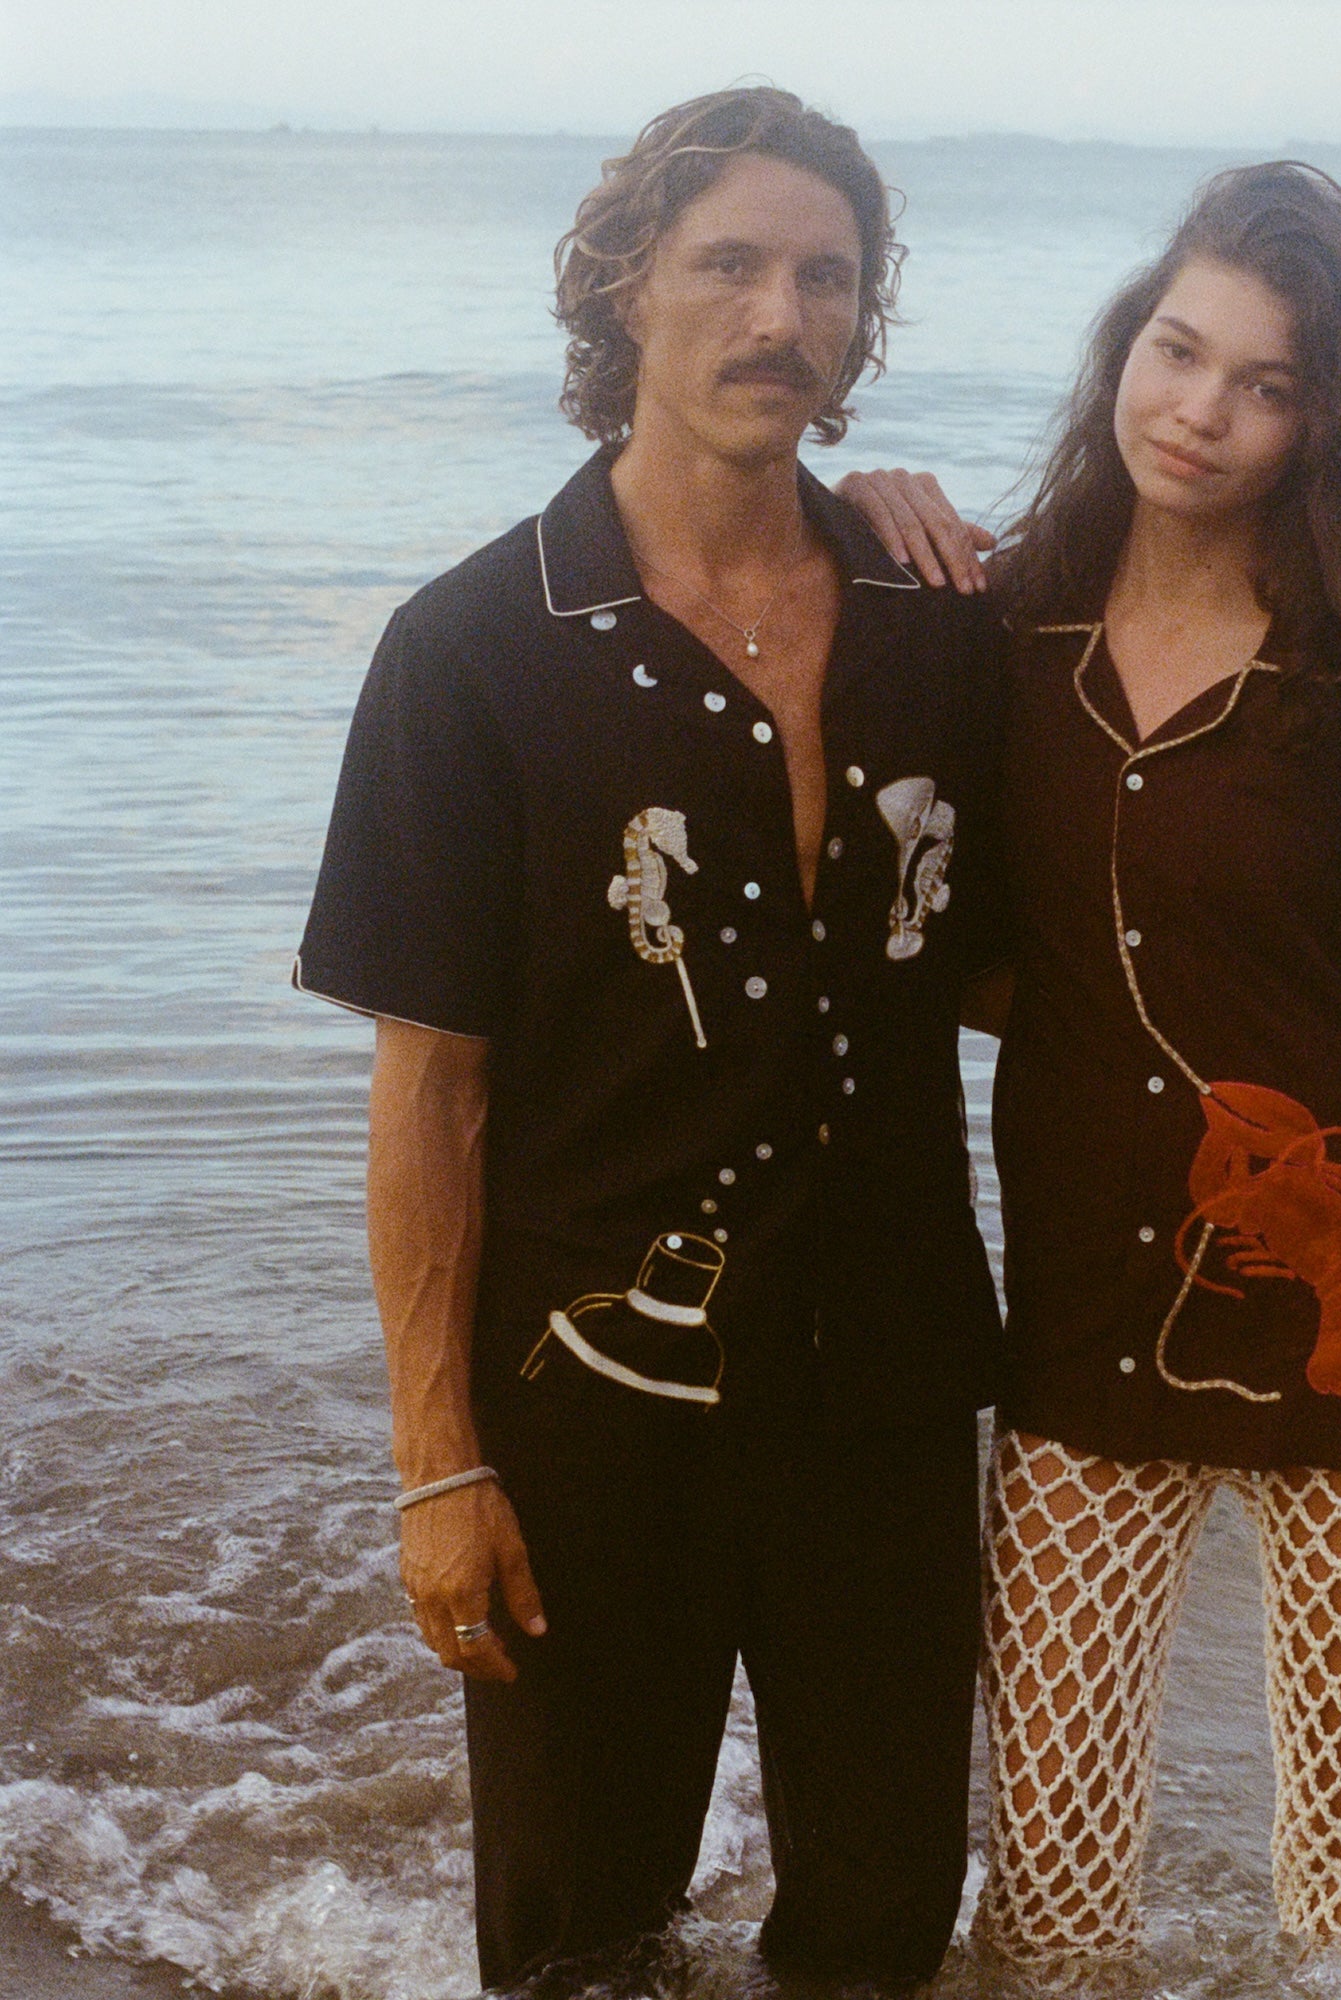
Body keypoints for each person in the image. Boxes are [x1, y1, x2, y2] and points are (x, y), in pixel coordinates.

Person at [295, 88, 1008, 1991]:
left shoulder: (938, 627)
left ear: (866, 321)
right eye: (730, 265)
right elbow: (430, 1086)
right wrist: (438, 1463)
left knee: (880, 1921)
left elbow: (1027, 966)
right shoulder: (473, 650)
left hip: (889, 1389)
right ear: (623, 287)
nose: (781, 314)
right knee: (579, 1932)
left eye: (828, 276)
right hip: (590, 1403)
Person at [838, 161, 1341, 1959]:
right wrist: (847, 510)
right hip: (1090, 1313)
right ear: (1123, 348)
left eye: (1268, 385)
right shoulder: (1015, 631)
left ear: (1334, 429)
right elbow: (972, 943)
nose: (1201, 410)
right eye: (1178, 350)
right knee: (1051, 1867)